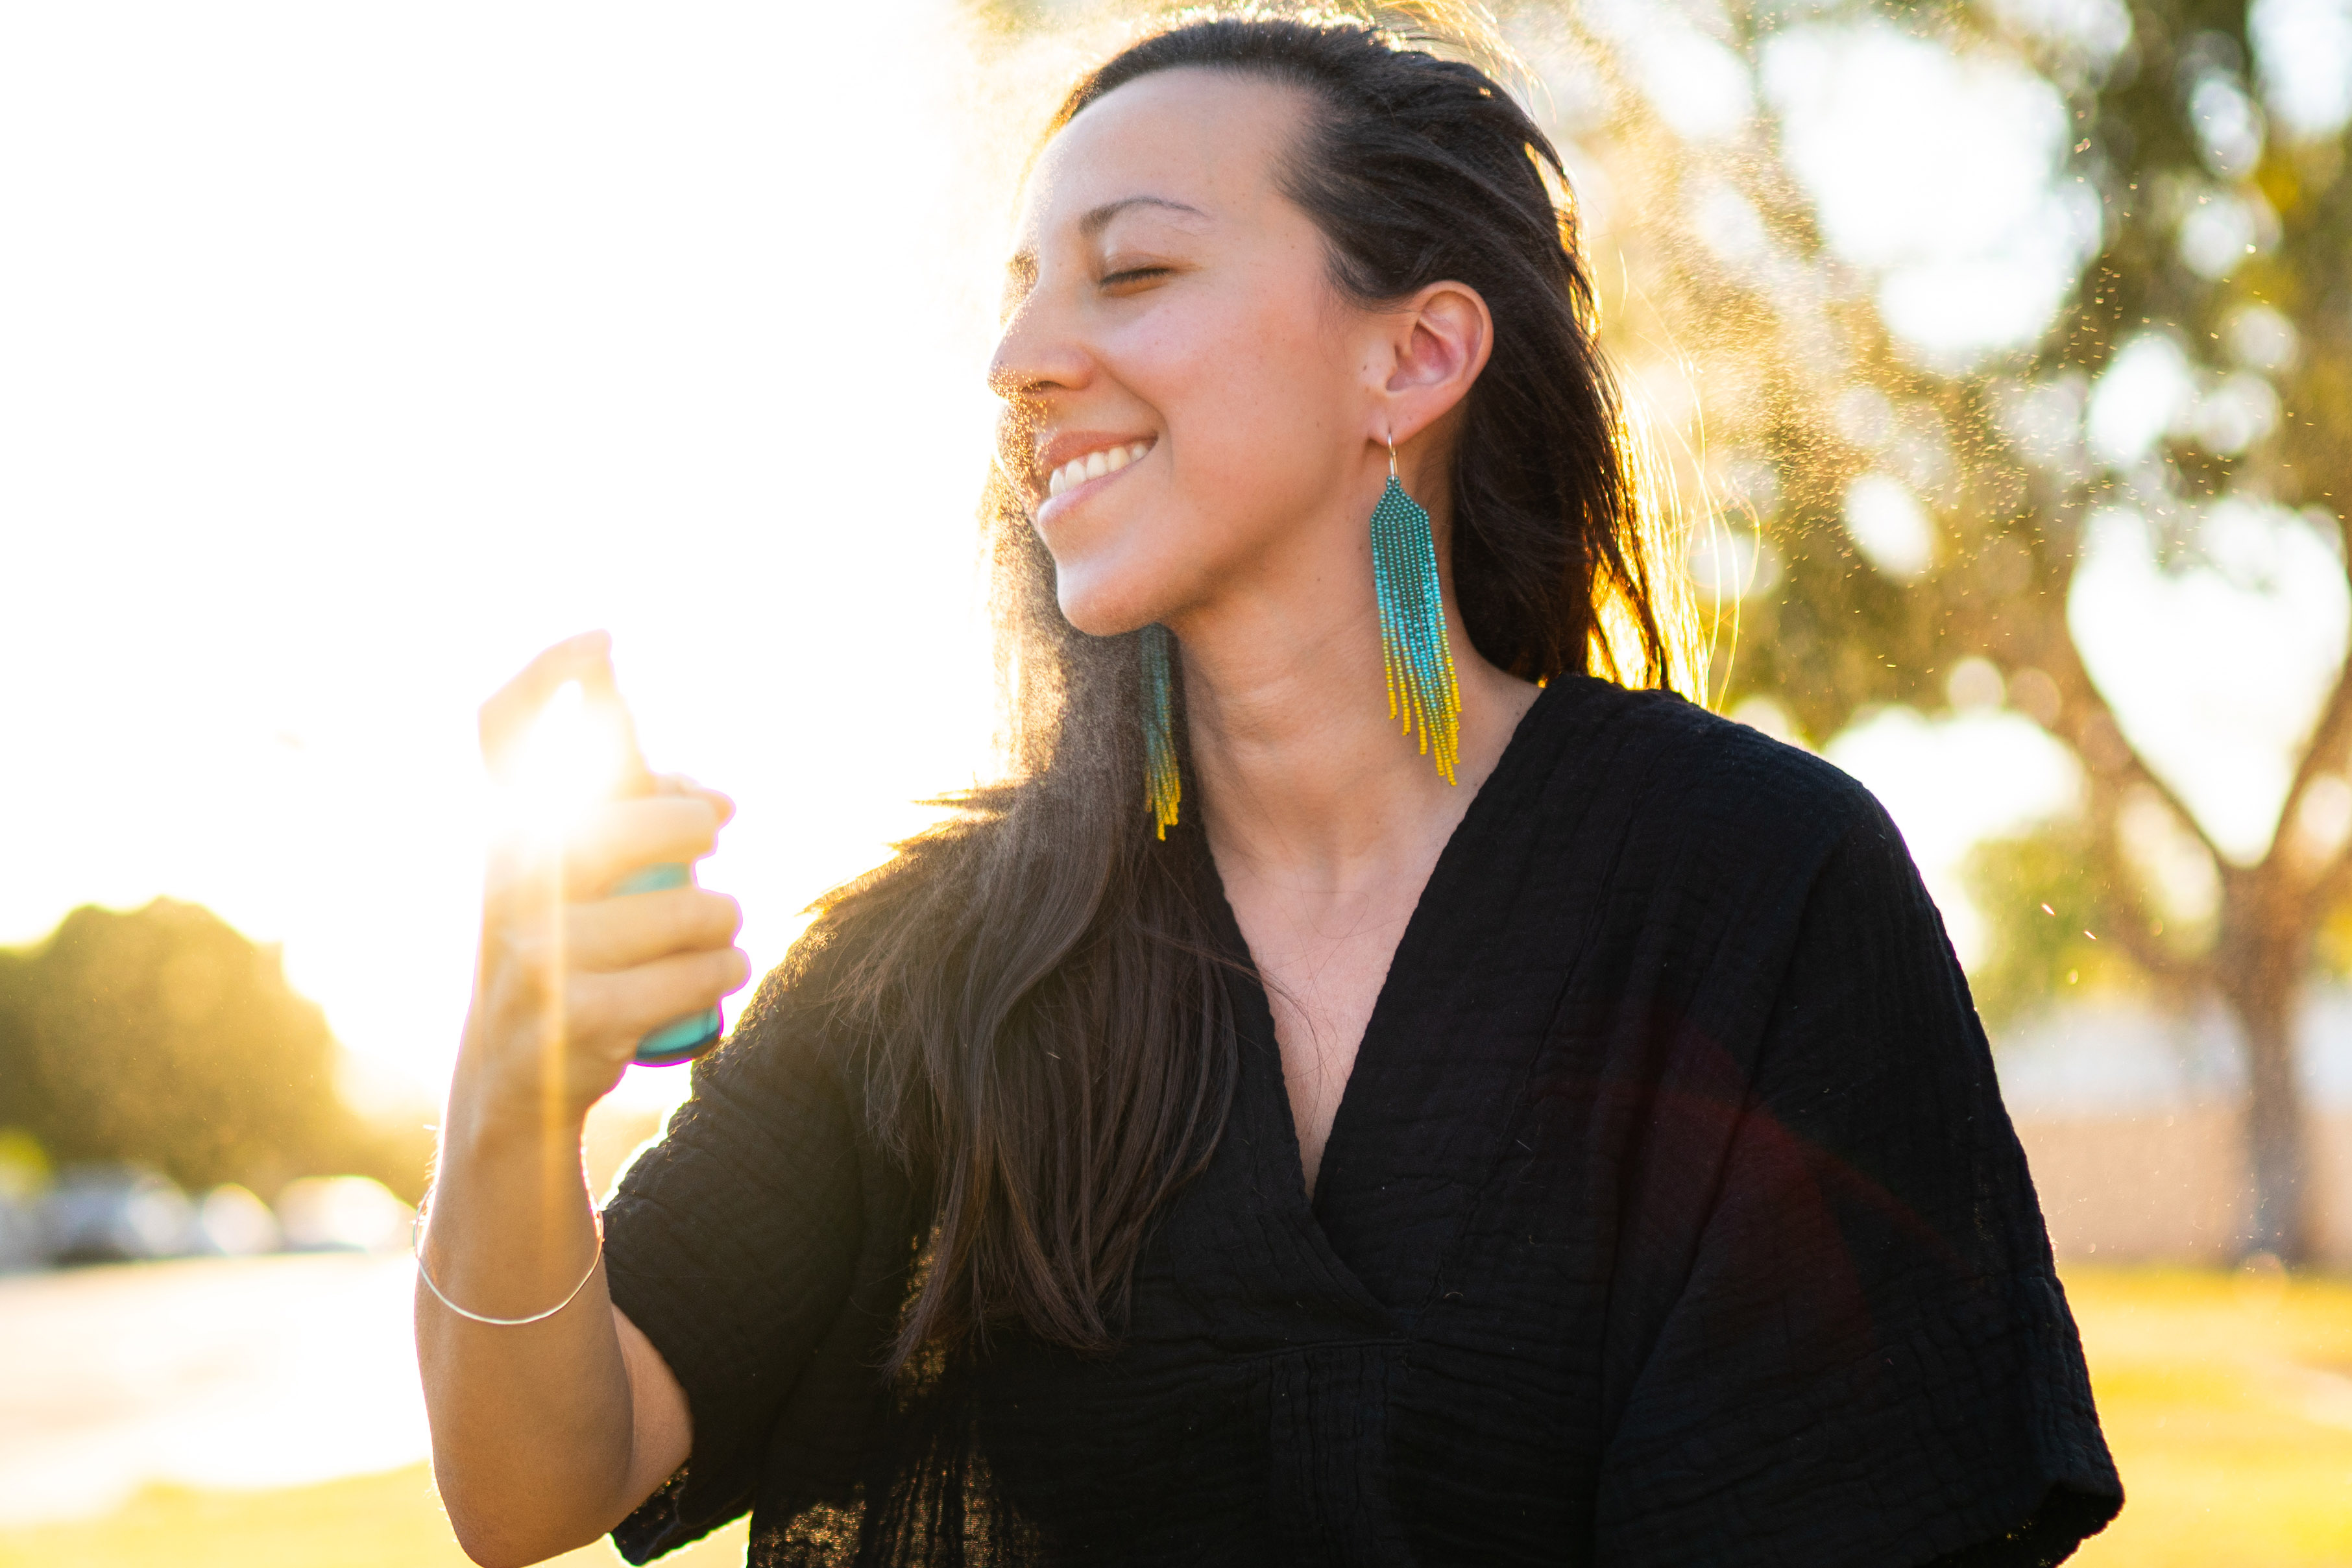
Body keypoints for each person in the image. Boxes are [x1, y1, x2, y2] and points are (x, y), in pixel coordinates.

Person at [415, 16, 2122, 1567]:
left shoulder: (1756, 887)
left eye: (1131, 270)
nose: (1019, 356)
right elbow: (537, 1482)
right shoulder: (934, 961)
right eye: (1014, 293)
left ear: (1415, 358)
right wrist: (508, 1107)